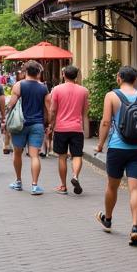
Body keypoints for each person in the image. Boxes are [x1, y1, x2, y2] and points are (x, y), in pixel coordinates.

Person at [94, 65, 137, 244]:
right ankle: (135, 226)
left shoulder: (111, 96)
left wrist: (99, 145)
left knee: (112, 186)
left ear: (119, 78)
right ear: (135, 80)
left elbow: (106, 122)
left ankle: (108, 218)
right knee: (135, 189)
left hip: (116, 148)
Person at [7, 61, 49, 195]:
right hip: (37, 124)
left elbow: (11, 105)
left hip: (20, 124)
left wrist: (4, 120)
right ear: (38, 73)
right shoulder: (43, 88)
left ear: (25, 72)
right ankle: (35, 185)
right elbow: (49, 109)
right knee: (34, 155)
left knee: (17, 153)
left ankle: (18, 182)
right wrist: (48, 123)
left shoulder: (19, 86)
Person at [47, 64, 88, 195]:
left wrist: (50, 125)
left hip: (61, 128)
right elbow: (85, 112)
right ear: (76, 76)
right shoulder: (84, 91)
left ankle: (63, 186)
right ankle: (75, 176)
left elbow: (53, 110)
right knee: (77, 155)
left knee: (62, 157)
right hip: (76, 128)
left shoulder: (57, 90)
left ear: (64, 75)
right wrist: (85, 129)